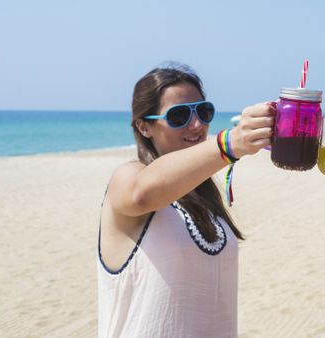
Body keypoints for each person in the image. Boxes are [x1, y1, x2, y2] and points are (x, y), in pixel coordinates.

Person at [97, 63, 275, 338]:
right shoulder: (128, 178)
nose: (197, 125)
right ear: (144, 127)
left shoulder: (202, 195)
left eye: (203, 112)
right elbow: (141, 194)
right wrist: (231, 143)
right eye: (179, 116)